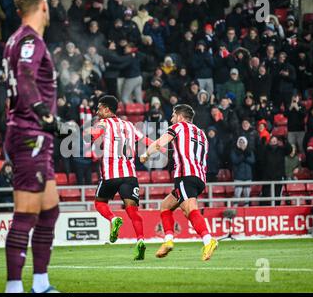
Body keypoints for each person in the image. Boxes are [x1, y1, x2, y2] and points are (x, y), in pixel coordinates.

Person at [3, 0, 60, 294]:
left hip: (32, 134)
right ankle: (13, 287)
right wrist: (44, 116)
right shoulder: (30, 41)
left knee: (50, 211)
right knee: (26, 214)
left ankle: (40, 284)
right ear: (42, 6)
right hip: (30, 134)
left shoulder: (13, 40)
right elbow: (25, 78)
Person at [140, 104, 218, 261]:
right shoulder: (201, 134)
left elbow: (160, 142)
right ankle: (168, 240)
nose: (171, 119)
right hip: (199, 177)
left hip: (185, 175)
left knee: (190, 209)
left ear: (181, 117)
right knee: (166, 205)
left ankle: (209, 240)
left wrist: (146, 153)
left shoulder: (179, 127)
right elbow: (181, 152)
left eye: (173, 116)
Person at [89, 95, 155, 260]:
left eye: (99, 108)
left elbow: (91, 140)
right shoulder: (129, 125)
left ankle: (113, 218)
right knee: (133, 211)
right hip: (129, 175)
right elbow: (147, 141)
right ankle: (140, 240)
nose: (97, 112)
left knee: (99, 203)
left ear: (106, 108)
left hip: (110, 175)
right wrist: (162, 148)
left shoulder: (102, 124)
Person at [230, 136, 255, 206]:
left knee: (247, 195)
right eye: (240, 142)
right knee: (237, 194)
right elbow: (235, 161)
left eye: (243, 142)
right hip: (238, 177)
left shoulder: (250, 151)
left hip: (248, 177)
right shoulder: (234, 151)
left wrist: (243, 157)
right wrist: (243, 156)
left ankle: (247, 207)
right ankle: (235, 207)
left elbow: (252, 161)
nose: (242, 144)